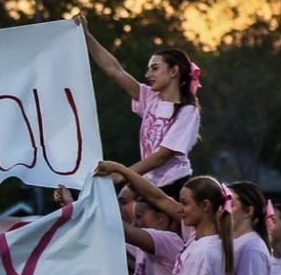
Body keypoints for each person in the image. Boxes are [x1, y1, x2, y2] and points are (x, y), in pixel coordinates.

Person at [75, 16, 201, 190]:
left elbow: (162, 155)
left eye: (154, 68)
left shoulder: (188, 111)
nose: (148, 74)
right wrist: (87, 36)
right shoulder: (151, 98)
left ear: (174, 71)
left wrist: (123, 174)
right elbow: (115, 71)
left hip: (174, 185)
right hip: (149, 182)